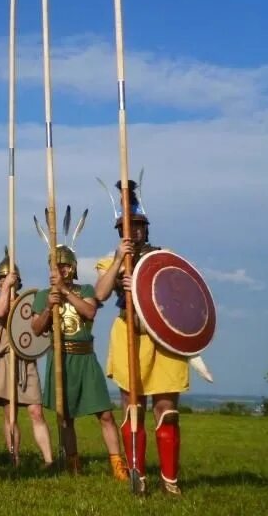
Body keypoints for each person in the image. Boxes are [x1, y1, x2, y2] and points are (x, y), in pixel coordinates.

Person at [94, 179, 188, 496]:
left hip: (163, 338)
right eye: (125, 226)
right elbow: (101, 294)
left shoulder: (164, 258)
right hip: (129, 333)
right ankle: (138, 476)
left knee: (167, 410)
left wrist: (148, 287)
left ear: (145, 228)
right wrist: (121, 261)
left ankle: (170, 482)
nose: (131, 231)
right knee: (133, 408)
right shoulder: (110, 261)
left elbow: (182, 296)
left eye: (136, 226)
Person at [31, 241, 127, 481]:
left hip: (85, 358)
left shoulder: (84, 290)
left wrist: (64, 292)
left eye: (65, 266)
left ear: (73, 267)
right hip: (60, 358)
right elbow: (36, 329)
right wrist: (48, 307)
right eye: (57, 266)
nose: (61, 270)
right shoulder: (44, 295)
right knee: (66, 418)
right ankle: (73, 464)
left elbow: (90, 312)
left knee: (105, 414)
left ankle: (117, 465)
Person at [0, 251, 54, 468]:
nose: (4, 281)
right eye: (1, 279)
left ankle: (49, 461)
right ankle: (14, 460)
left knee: (36, 411)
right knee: (10, 413)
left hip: (25, 360)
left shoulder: (28, 304)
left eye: (8, 279)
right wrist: (6, 288)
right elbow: (2, 312)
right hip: (5, 361)